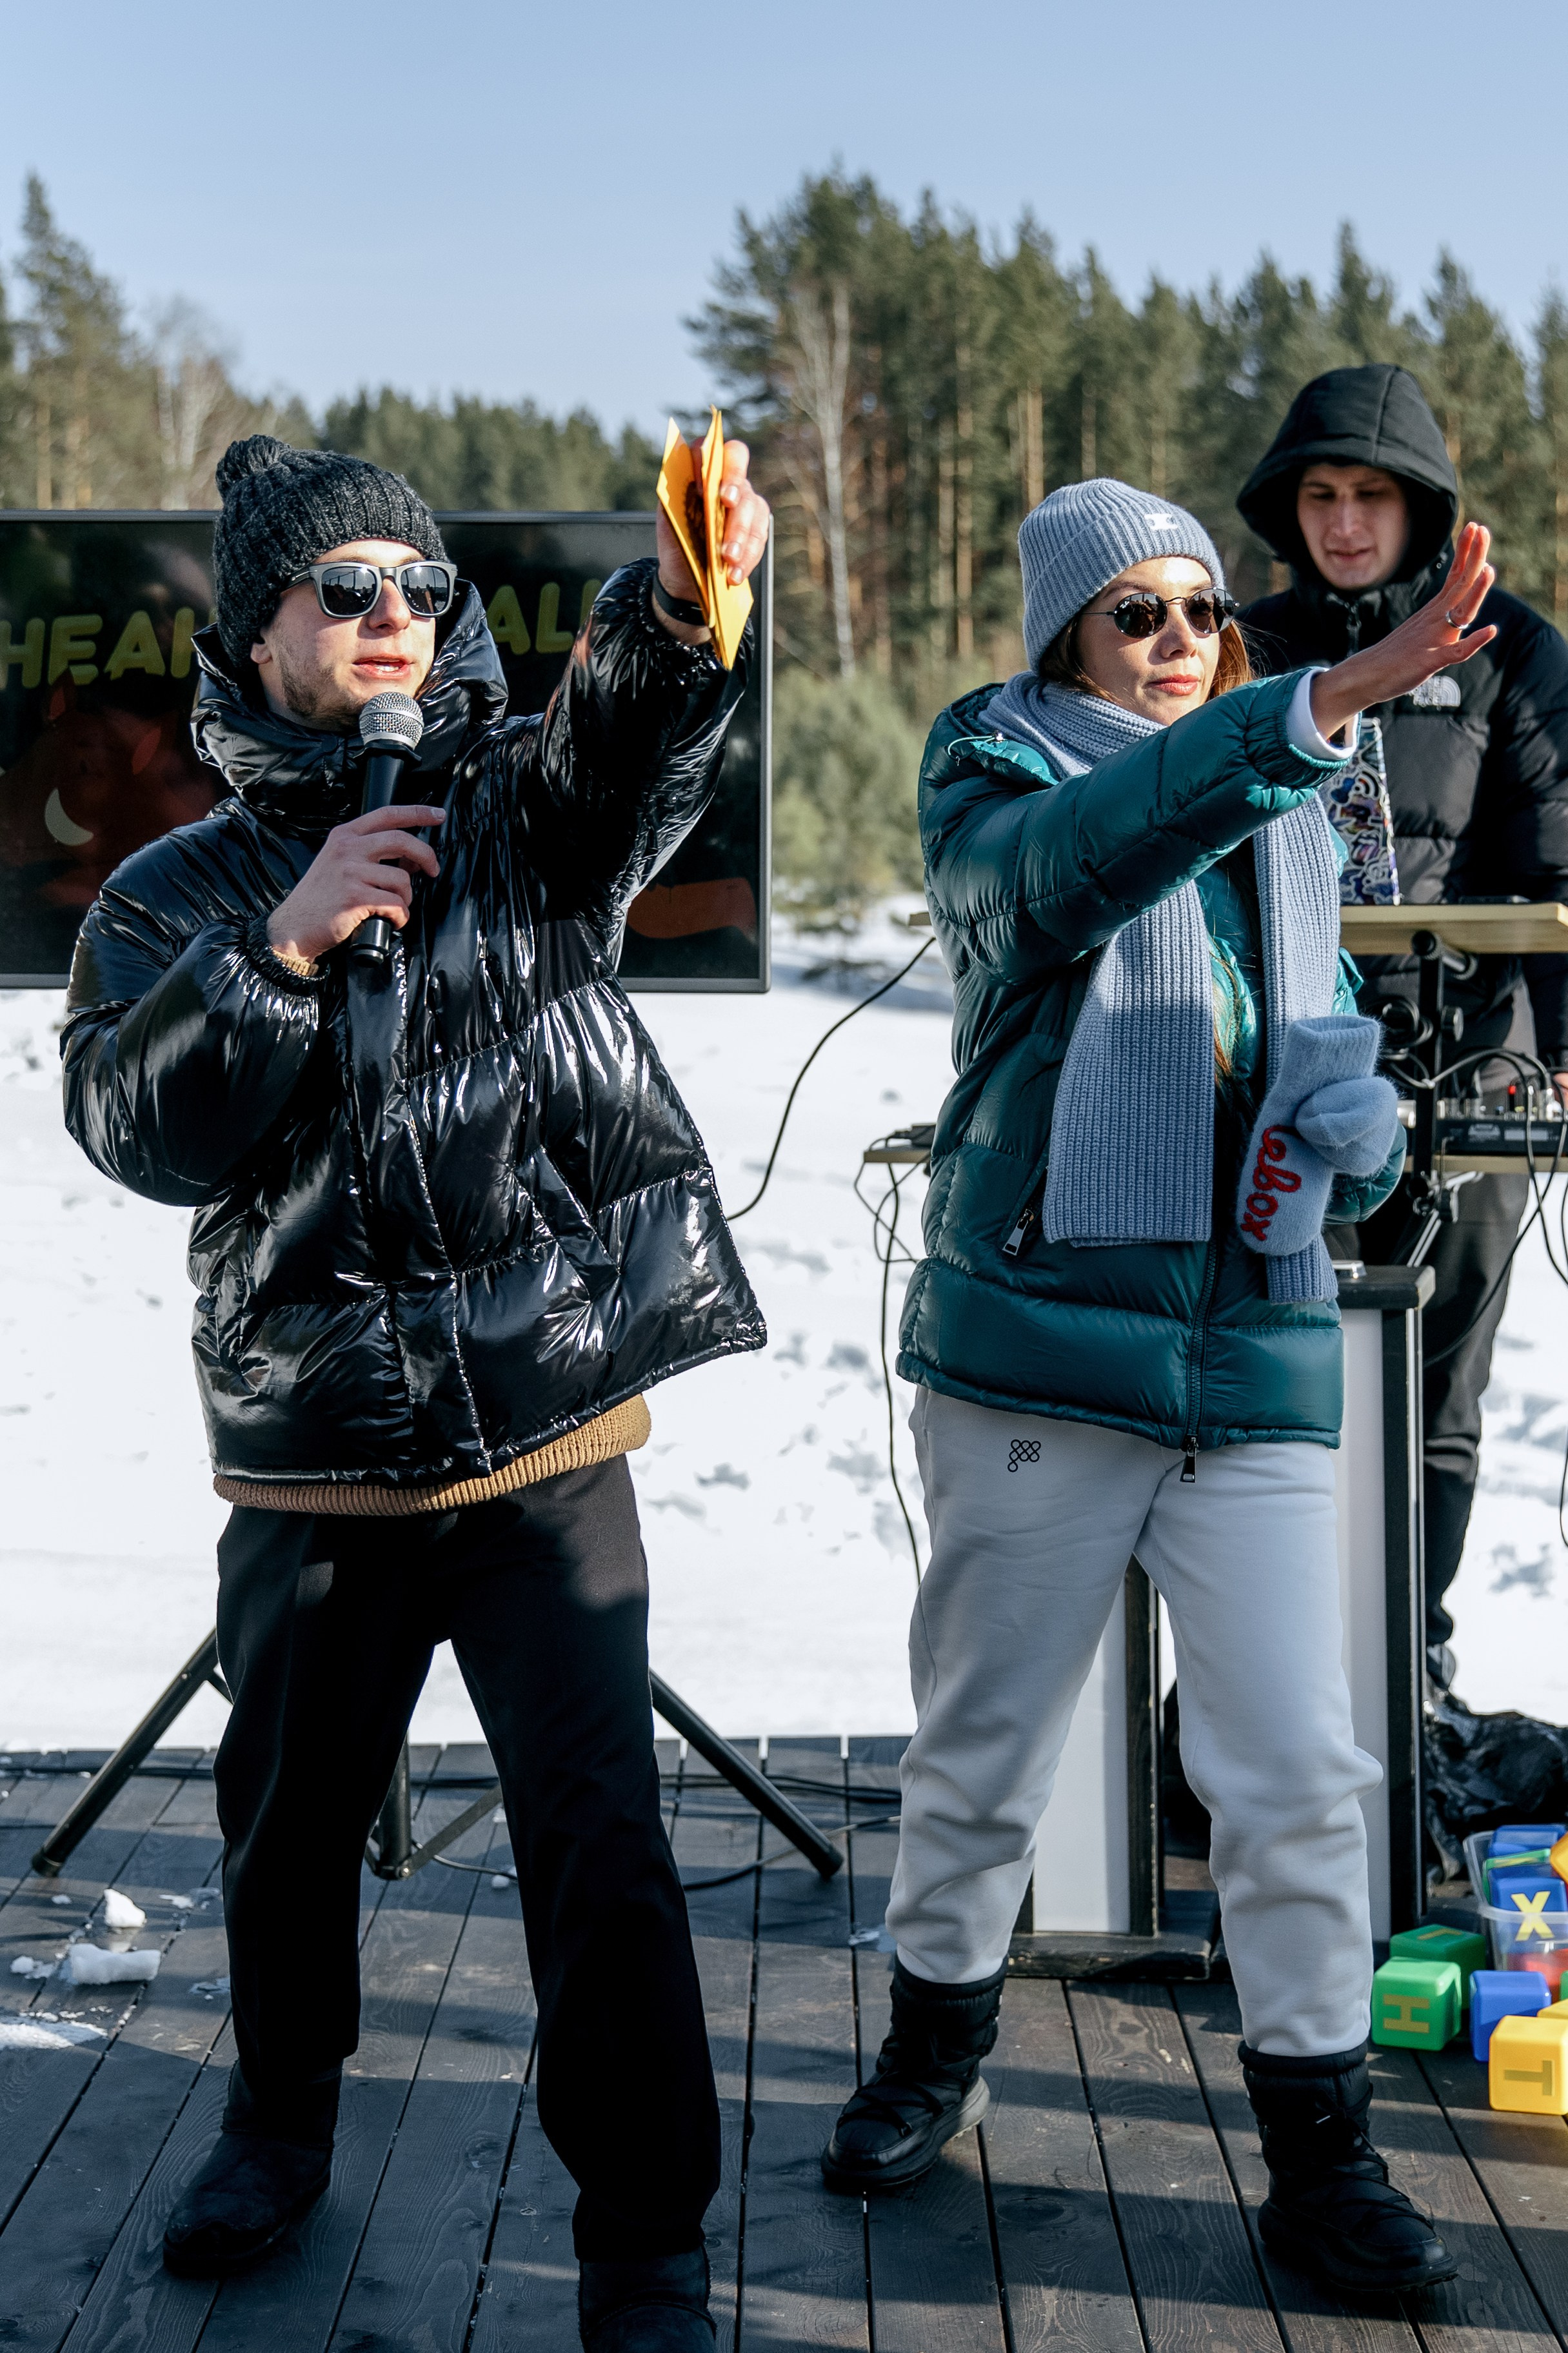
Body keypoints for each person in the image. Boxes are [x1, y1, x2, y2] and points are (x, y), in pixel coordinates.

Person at [61, 432, 771, 2352]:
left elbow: (627, 739)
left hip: (544, 1446)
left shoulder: (519, 815)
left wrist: (687, 608)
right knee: (287, 1845)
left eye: (418, 590)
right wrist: (281, 947)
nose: (391, 618)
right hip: (312, 1464)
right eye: (344, 590)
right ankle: (279, 2129)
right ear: (261, 629)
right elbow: (142, 1133)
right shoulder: (166, 890)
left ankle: (640, 2245)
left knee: (602, 1848)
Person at [820, 476, 1498, 2298]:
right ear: (1064, 640)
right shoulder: (997, 789)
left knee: (1300, 1774)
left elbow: (1305, 1044)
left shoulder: (1284, 813)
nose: (1185, 642)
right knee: (988, 1754)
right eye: (1140, 615)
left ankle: (1323, 2156)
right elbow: (1074, 874)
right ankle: (935, 2048)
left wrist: (1352, 1147)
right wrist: (1314, 714)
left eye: (1207, 612)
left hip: (1255, 1348)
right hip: (1045, 1344)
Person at [1237, 364, 1568, 1685]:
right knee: (1286, 1385)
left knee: (1438, 1399)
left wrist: (1559, 1051)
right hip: (1284, 1086)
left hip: (1469, 1073)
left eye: (1371, 493)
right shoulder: (1244, 649)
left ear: (1424, 507)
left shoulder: (1516, 652)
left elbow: (1560, 864)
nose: (1343, 521)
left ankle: (1405, 1662)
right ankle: (1274, 1671)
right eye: (1318, 494)